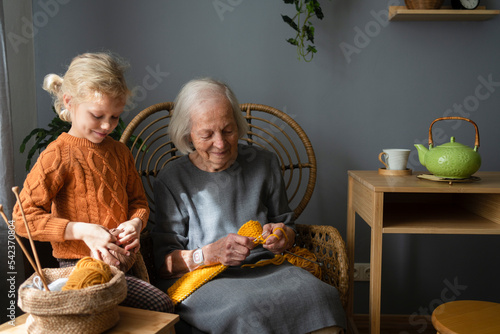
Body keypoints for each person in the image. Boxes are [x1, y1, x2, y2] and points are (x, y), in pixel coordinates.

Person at [152, 77, 346, 333]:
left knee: (321, 296)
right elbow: (163, 263)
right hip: (208, 279)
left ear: (238, 125)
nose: (220, 143)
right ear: (188, 134)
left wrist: (282, 236)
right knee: (246, 310)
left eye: (228, 130)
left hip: (269, 267)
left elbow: (287, 227)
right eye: (207, 134)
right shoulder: (172, 179)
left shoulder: (263, 163)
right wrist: (209, 254)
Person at [13, 52, 173, 313]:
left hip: (126, 263)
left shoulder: (120, 153)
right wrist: (84, 231)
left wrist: (135, 222)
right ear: (70, 101)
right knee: (158, 307)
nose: (107, 125)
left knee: (153, 312)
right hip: (79, 269)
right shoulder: (58, 155)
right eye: (98, 115)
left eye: (115, 116)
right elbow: (22, 219)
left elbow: (138, 202)